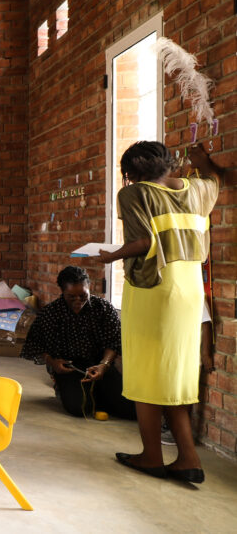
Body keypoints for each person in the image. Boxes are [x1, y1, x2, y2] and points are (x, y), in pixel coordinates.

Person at [93, 141, 224, 483]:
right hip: (190, 289)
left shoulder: (135, 194)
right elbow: (214, 180)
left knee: (146, 374)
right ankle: (188, 458)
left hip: (155, 289)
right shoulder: (197, 189)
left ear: (130, 173)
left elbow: (142, 243)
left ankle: (152, 456)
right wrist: (204, 161)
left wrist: (110, 256)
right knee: (175, 374)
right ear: (168, 163)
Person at [21, 266, 135, 420]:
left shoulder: (103, 308)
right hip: (69, 367)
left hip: (99, 364)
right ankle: (64, 388)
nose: (78, 301)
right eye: (71, 297)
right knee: (79, 408)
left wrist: (104, 364)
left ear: (90, 288)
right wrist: (53, 363)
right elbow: (35, 345)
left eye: (83, 295)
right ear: (62, 292)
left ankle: (97, 391)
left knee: (130, 410)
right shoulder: (51, 313)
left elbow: (114, 341)